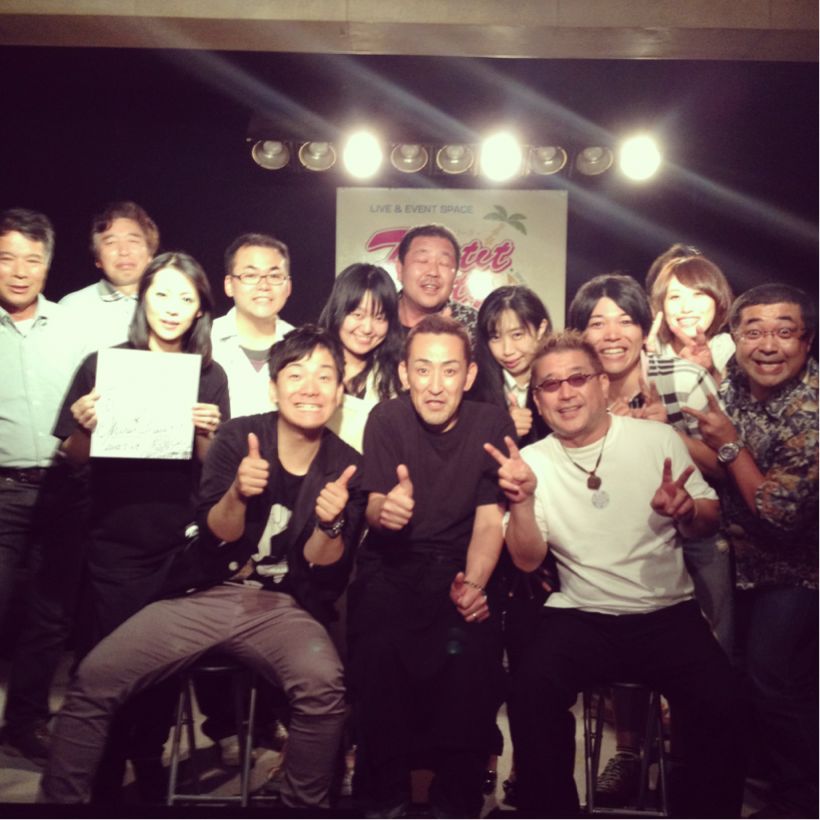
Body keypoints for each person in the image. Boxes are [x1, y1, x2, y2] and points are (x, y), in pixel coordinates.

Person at [39, 325, 367, 809]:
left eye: (324, 376)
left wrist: (331, 523)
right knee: (94, 677)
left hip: (281, 607)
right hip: (204, 593)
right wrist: (237, 493)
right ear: (274, 387)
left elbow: (322, 571)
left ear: (339, 392)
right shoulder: (239, 437)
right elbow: (215, 537)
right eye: (296, 374)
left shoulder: (347, 465)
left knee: (323, 688)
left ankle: (302, 807)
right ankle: (58, 806)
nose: (310, 387)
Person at [485, 330, 744, 819]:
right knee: (530, 692)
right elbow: (526, 560)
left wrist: (686, 510)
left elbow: (708, 518)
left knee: (721, 700)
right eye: (550, 385)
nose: (565, 393)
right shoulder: (532, 461)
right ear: (537, 401)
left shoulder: (656, 439)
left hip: (666, 610)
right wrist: (522, 501)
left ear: (602, 384)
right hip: (580, 614)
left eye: (577, 379)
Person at [54, 251, 229, 802]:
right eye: (162, 294)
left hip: (176, 547)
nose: (173, 307)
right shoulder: (103, 364)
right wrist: (86, 425)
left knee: (164, 666)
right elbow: (73, 457)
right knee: (104, 665)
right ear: (143, 299)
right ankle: (104, 772)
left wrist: (205, 433)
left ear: (200, 307)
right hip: (112, 541)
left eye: (185, 297)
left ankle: (150, 762)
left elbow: (212, 470)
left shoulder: (209, 374)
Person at [568, 273, 734, 805]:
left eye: (624, 321)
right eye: (597, 323)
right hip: (626, 536)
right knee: (622, 619)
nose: (611, 333)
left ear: (645, 328)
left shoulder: (681, 377)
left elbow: (728, 463)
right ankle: (630, 753)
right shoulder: (580, 386)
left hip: (694, 530)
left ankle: (689, 764)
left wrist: (669, 432)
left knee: (706, 669)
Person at [348, 315, 514, 817]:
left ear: (468, 375)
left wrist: (475, 586)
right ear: (404, 373)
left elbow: (490, 519)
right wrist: (386, 512)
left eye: (449, 371)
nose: (435, 385)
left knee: (472, 653)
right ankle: (384, 797)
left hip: (461, 565)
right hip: (392, 561)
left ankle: (455, 801)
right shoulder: (386, 419)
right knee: (377, 649)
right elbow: (375, 504)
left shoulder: (491, 423)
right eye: (423, 370)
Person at [682, 284, 818, 818]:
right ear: (735, 338)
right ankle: (750, 787)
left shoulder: (811, 411)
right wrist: (663, 435)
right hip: (738, 563)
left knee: (773, 683)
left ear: (806, 342)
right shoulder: (734, 383)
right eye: (754, 331)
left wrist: (729, 444)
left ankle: (801, 801)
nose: (768, 345)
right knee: (735, 680)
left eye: (784, 332)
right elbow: (723, 467)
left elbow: (778, 512)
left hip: (799, 571)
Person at [0, 208, 90, 761]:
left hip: (64, 488)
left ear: (48, 265)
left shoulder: (73, 328)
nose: (19, 271)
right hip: (3, 489)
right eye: (7, 258)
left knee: (51, 615)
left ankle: (26, 720)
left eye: (32, 260)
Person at [470, 284, 552, 801]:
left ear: (540, 330)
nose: (508, 348)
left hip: (542, 541)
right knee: (480, 661)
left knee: (531, 662)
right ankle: (485, 753)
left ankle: (528, 763)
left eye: (518, 334)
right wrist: (501, 422)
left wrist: (532, 423)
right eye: (496, 337)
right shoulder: (478, 387)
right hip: (484, 534)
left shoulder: (558, 384)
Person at [318, 262, 403, 452]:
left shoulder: (395, 377)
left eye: (379, 318)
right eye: (357, 315)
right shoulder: (309, 364)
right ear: (337, 311)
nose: (367, 328)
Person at [211, 233, 294, 417]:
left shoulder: (301, 346)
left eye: (274, 276)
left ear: (288, 286)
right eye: (250, 275)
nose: (263, 285)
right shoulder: (204, 340)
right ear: (229, 285)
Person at [60, 201, 159, 349]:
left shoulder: (171, 304)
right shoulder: (71, 308)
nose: (123, 251)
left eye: (133, 241)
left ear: (150, 254)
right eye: (111, 242)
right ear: (97, 259)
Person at [647, 253, 735, 380]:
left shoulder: (730, 349)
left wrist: (712, 373)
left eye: (698, 295)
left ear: (718, 301)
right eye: (675, 297)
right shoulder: (649, 348)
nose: (686, 308)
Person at [395, 224, 478, 342]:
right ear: (400, 269)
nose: (433, 272)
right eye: (422, 260)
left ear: (455, 275)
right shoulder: (376, 316)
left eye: (444, 263)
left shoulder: (474, 325)